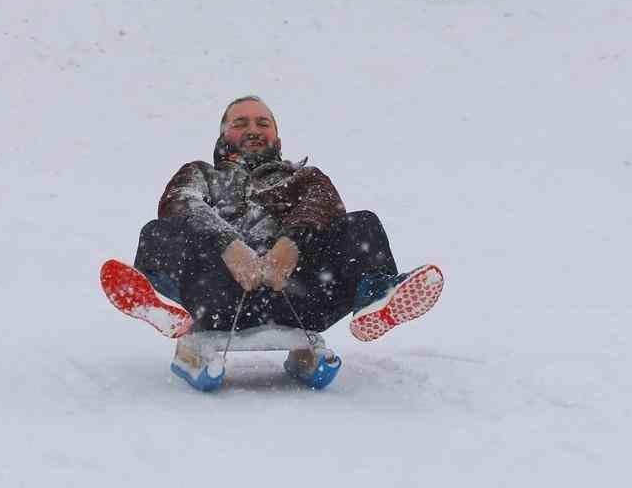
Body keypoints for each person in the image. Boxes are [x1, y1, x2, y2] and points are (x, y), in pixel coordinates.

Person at [99, 96, 445, 391]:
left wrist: (289, 245)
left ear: (276, 135)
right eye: (241, 122)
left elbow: (322, 204)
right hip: (217, 297)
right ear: (224, 134)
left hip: (301, 294)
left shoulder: (303, 176)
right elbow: (181, 201)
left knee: (361, 223)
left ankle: (376, 298)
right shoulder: (201, 173)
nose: (253, 129)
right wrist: (229, 245)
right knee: (160, 229)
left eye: (263, 122)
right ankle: (158, 301)